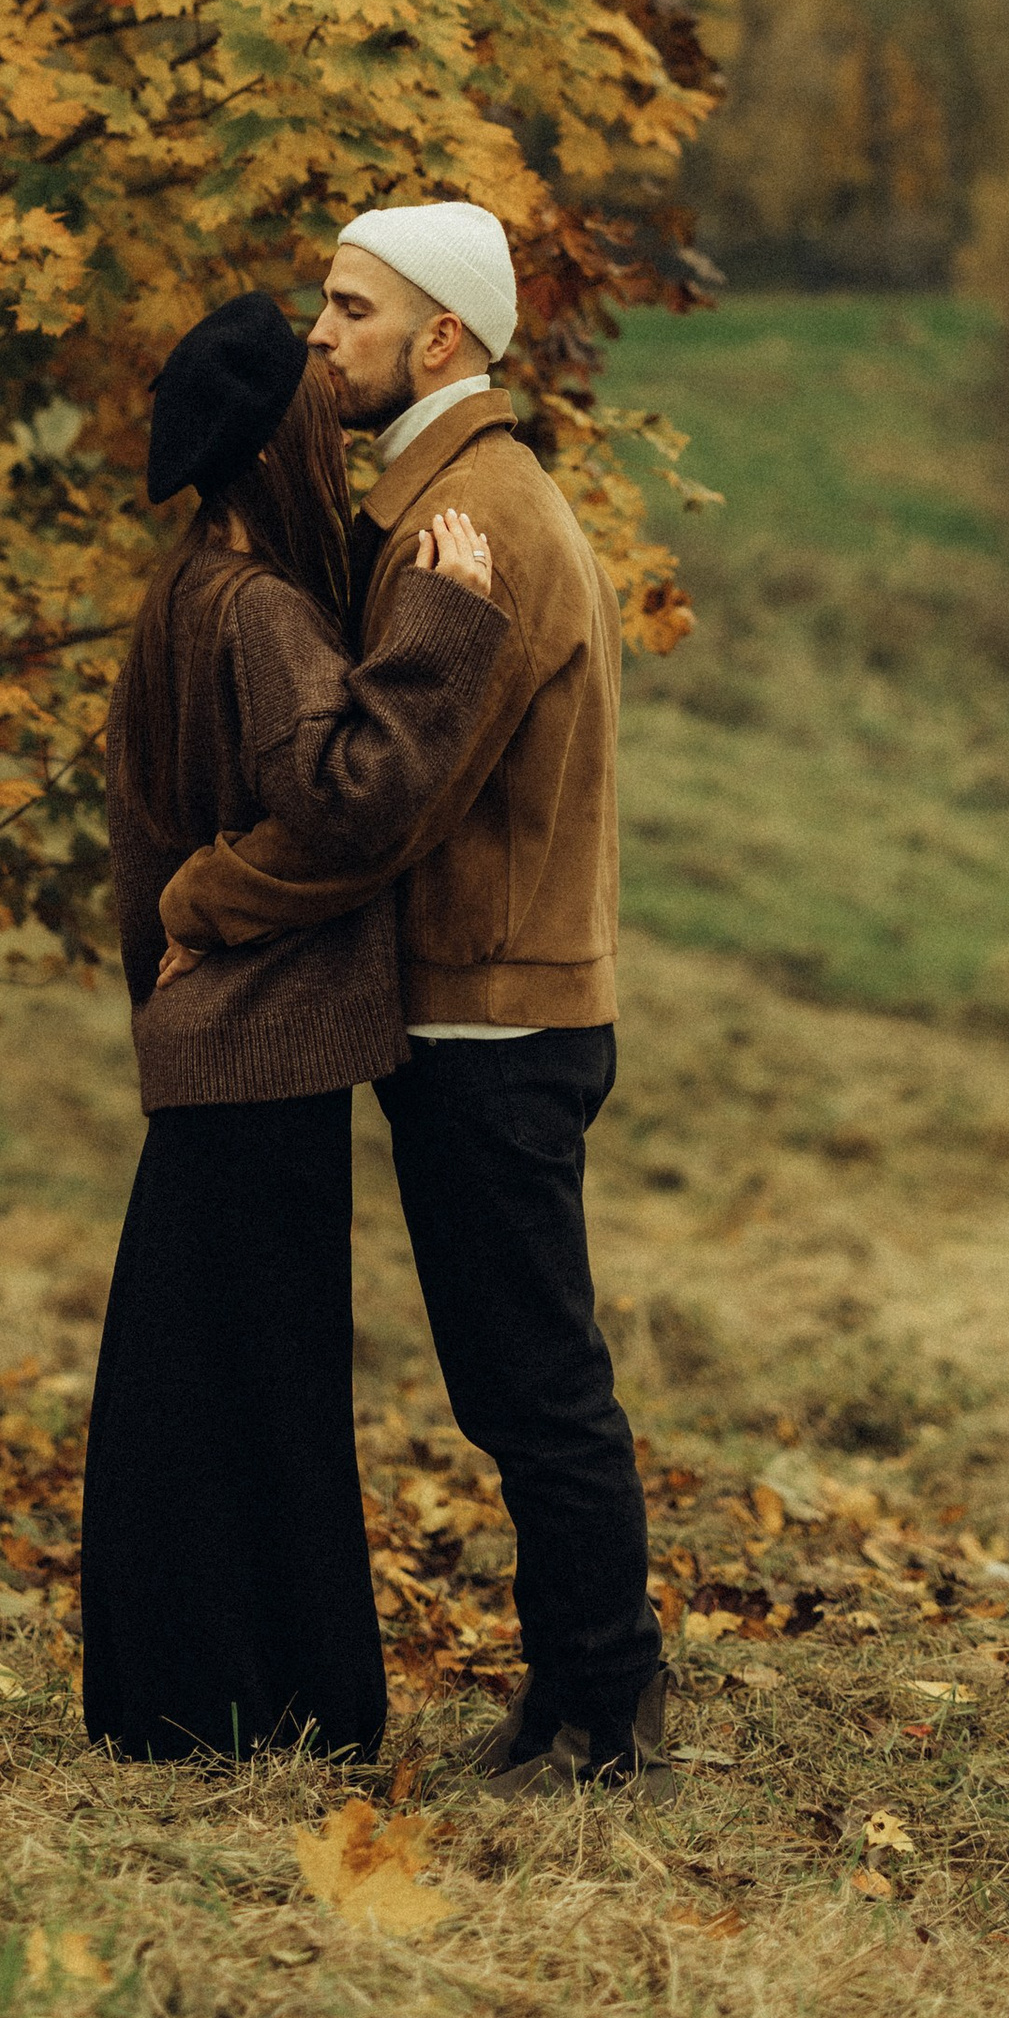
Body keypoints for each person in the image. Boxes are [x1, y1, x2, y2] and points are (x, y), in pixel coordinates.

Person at [157, 200, 671, 1794]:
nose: (319, 339)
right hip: (480, 1009)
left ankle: (604, 1716)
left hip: (496, 1020)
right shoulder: (443, 496)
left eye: (348, 311)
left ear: (439, 336)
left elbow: (376, 806)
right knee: (512, 1379)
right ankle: (574, 1698)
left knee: (536, 1382)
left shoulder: (486, 523)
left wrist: (206, 901)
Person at [81, 291, 508, 1768]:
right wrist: (444, 629)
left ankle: (186, 1698)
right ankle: (252, 1707)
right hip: (259, 1047)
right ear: (281, 443)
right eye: (316, 405)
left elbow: (176, 823)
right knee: (254, 1392)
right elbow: (345, 795)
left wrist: (180, 933)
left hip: (221, 1041)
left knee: (197, 1378)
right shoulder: (258, 610)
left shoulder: (193, 587)